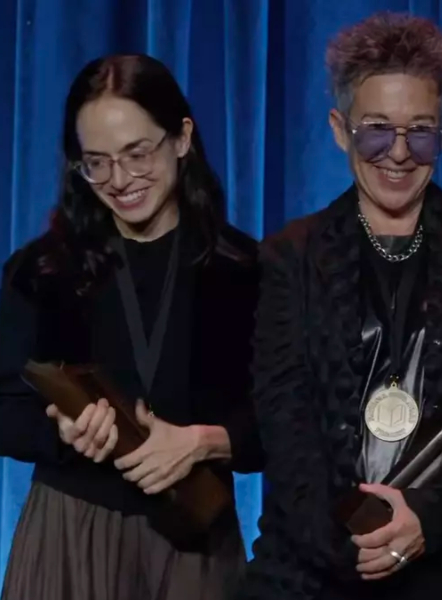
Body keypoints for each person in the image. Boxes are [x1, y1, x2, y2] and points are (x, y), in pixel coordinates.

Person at [237, 11, 442, 600]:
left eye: (421, 131)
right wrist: (352, 544)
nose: (399, 154)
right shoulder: (289, 255)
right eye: (377, 130)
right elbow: (283, 415)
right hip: (316, 557)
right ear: (340, 128)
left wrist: (426, 521)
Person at [0, 54, 263, 600]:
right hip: (70, 534)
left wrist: (206, 442)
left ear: (182, 138)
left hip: (195, 540)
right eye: (96, 162)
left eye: (137, 153)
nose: (119, 180)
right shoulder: (42, 271)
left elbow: (286, 419)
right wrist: (60, 432)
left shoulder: (246, 270)